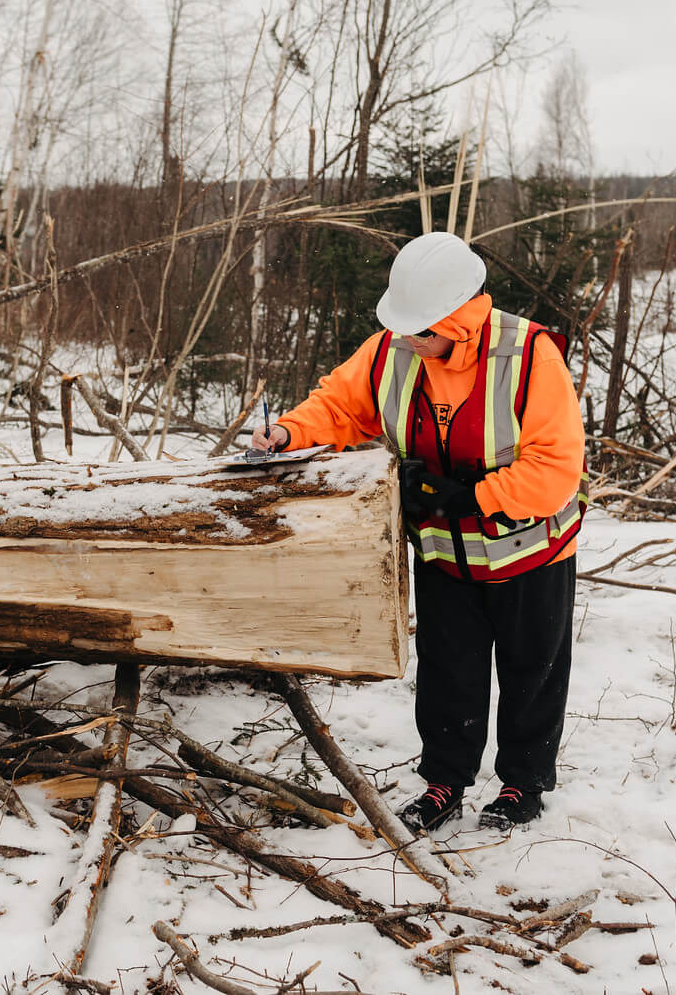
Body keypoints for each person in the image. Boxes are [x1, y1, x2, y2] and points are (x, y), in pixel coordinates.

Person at [252, 231, 587, 833]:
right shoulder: (391, 351)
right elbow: (339, 406)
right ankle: (444, 781)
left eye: (421, 330)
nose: (408, 340)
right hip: (443, 557)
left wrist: (473, 497)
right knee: (448, 675)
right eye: (403, 327)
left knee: (530, 672)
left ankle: (522, 784)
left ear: (458, 319)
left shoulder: (530, 355)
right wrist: (288, 431)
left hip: (530, 556)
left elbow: (556, 469)